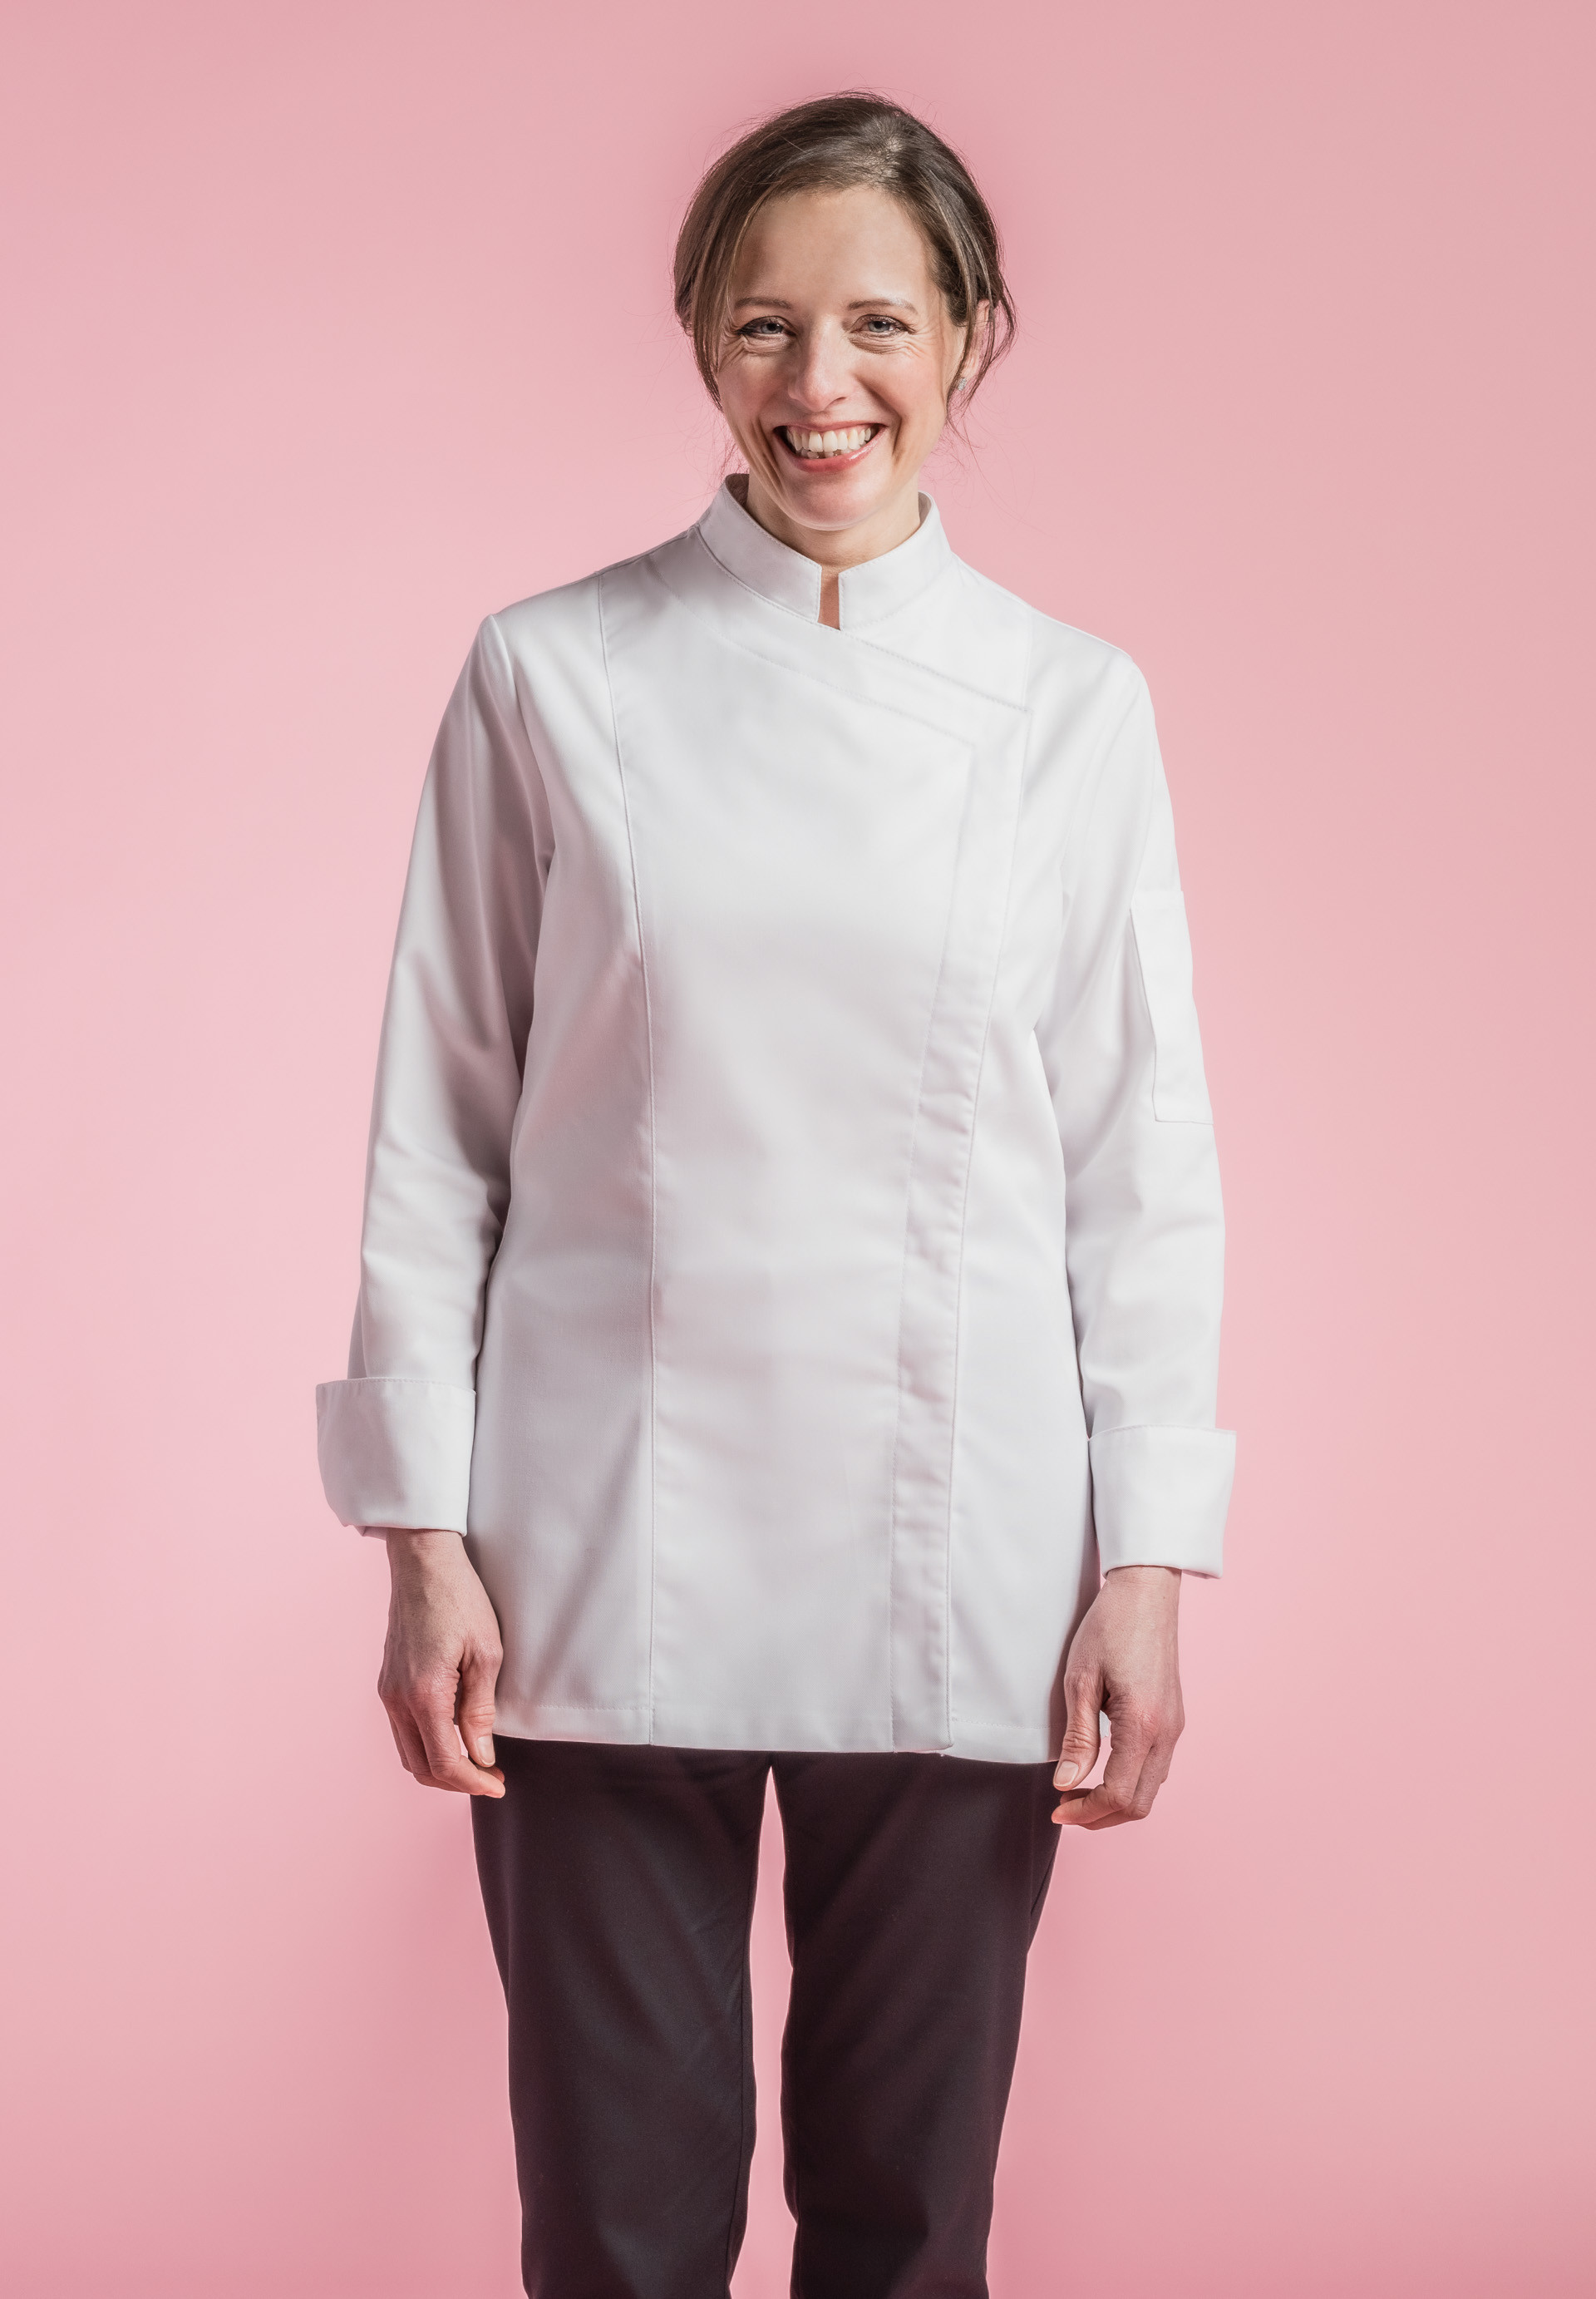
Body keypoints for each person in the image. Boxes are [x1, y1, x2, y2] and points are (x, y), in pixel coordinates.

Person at [316, 90, 1234, 2299]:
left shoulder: (1068, 710)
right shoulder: (550, 674)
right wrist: (420, 1535)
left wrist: (1147, 1560)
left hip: (966, 1549)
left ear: (970, 335)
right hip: (596, 1549)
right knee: (617, 2233)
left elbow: (1142, 1163)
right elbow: (440, 1121)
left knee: (911, 2230)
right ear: (700, 341)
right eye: (765, 325)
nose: (823, 383)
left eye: (879, 324)